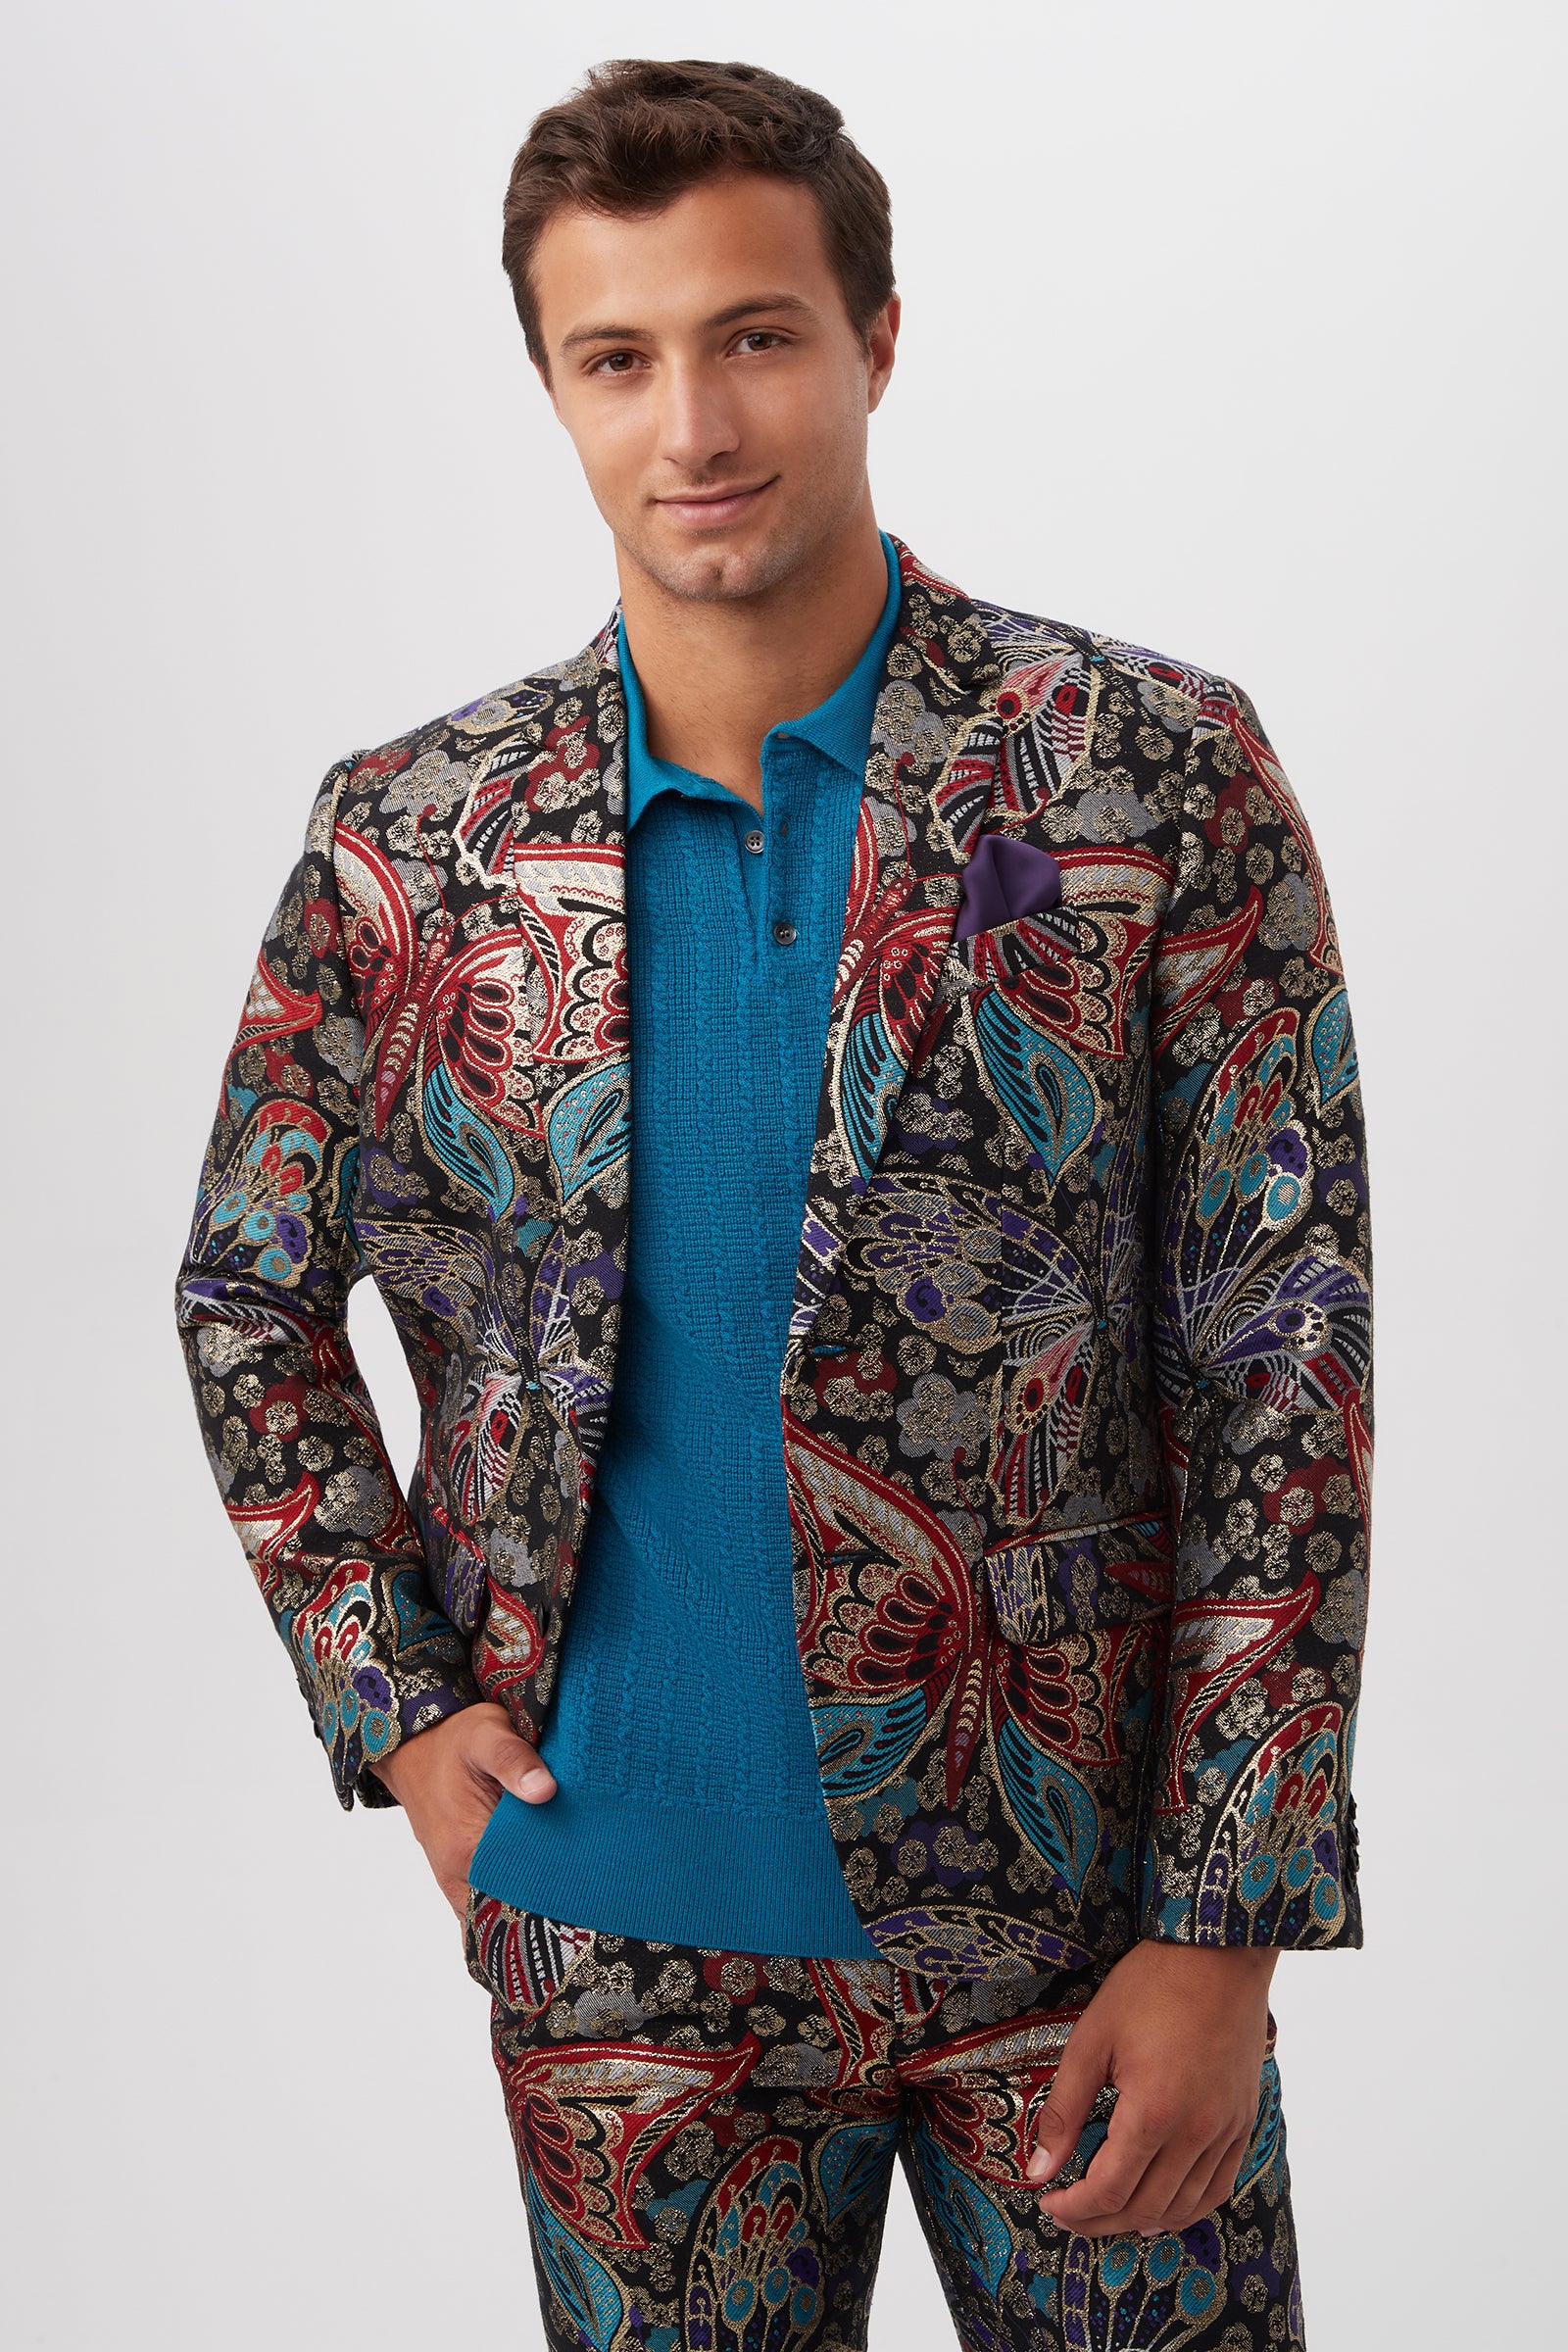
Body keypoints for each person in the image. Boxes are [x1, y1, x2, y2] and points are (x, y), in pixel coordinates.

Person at [173, 55, 1373, 2352]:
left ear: (874, 340)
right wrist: (399, 1713)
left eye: (753, 336)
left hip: (1071, 1920)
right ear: (551, 387)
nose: (693, 424)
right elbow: (248, 1295)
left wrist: (1222, 1919)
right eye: (616, 359)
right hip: (616, 1939)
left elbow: (1278, 1352)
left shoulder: (1141, 769)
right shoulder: (410, 838)